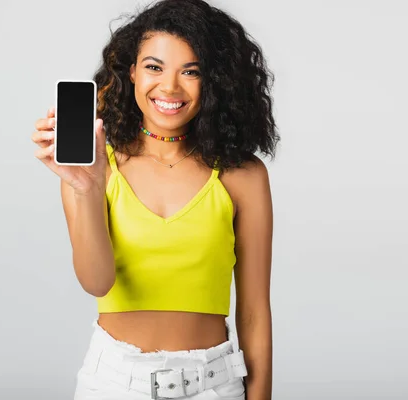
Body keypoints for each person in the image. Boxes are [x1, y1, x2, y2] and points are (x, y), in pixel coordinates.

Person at [31, 0, 279, 398]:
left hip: (213, 385)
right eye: (153, 67)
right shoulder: (95, 168)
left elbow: (253, 312)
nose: (169, 87)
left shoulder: (242, 176)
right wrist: (88, 187)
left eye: (191, 71)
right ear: (130, 70)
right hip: (112, 383)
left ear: (214, 81)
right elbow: (97, 282)